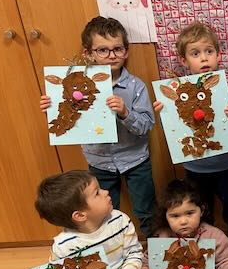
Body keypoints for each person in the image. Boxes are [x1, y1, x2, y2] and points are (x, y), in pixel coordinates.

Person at [39, 17, 156, 236]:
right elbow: (69, 120)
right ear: (88, 53)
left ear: (126, 51)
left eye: (117, 49)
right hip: (99, 161)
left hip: (136, 160)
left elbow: (146, 125)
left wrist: (126, 113)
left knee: (147, 210)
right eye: (103, 50)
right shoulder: (74, 85)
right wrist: (52, 108)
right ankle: (113, 247)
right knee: (102, 214)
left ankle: (154, 248)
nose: (112, 55)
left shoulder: (135, 86)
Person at [153, 22, 228, 242]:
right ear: (184, 61)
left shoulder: (224, 90)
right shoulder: (176, 95)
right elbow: (174, 132)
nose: (204, 58)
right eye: (196, 53)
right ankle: (205, 246)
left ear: (218, 55)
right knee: (201, 211)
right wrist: (164, 115)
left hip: (226, 166)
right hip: (195, 168)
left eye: (209, 52)